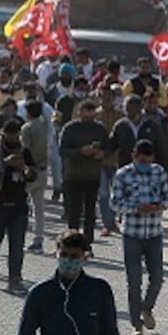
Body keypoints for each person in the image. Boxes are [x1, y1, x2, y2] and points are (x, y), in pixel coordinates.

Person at [110, 139, 168, 335]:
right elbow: (114, 203)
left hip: (154, 233)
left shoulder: (158, 172)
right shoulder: (123, 175)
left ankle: (146, 308)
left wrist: (159, 206)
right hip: (132, 233)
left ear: (152, 159)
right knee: (134, 281)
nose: (144, 163)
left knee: (157, 277)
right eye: (140, 160)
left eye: (147, 160)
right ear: (134, 156)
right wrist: (136, 208)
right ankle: (136, 324)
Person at [17, 230, 119, 335]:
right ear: (56, 254)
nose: (68, 260)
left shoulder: (100, 289)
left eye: (74, 256)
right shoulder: (40, 292)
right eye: (64, 255)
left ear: (84, 257)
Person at [0, 120, 37, 292]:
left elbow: (33, 174)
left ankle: (15, 277)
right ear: (3, 133)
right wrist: (5, 163)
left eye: (16, 134)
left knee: (17, 243)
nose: (13, 138)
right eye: (10, 134)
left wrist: (24, 168)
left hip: (19, 203)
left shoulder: (24, 151)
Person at [59, 100, 106, 242]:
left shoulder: (99, 129)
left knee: (90, 212)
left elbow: (108, 145)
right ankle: (72, 242)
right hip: (73, 175)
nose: (88, 120)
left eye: (91, 117)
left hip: (92, 175)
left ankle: (87, 243)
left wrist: (102, 153)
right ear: (79, 113)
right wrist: (80, 151)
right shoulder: (70, 128)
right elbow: (62, 150)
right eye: (85, 117)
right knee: (74, 212)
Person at [20, 101, 50, 253]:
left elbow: (24, 149)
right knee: (39, 207)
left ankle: (19, 234)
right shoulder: (45, 125)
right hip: (44, 168)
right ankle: (38, 239)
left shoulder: (27, 128)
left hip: (31, 170)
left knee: (21, 203)